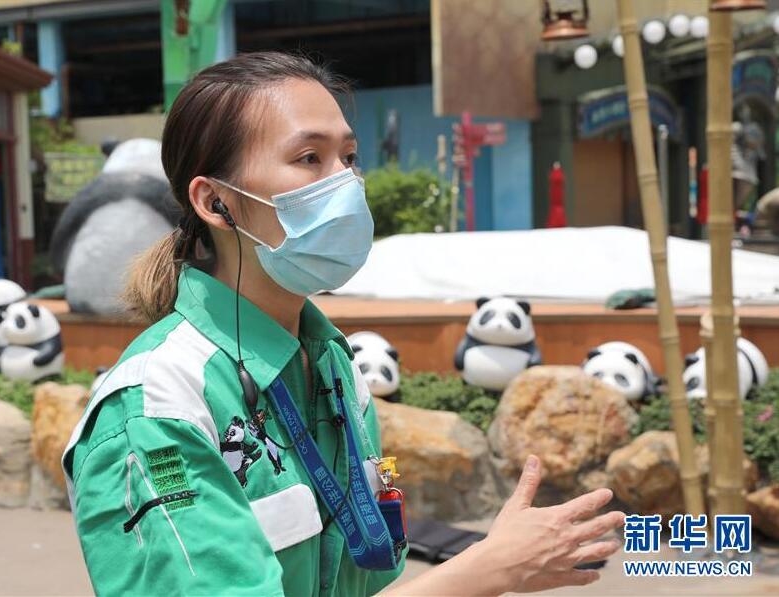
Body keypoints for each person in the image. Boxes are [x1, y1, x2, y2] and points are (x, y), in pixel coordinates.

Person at [61, 51, 624, 596]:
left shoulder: (333, 365)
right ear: (215, 202)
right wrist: (487, 571)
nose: (346, 183)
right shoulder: (157, 407)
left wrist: (495, 569)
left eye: (349, 158)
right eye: (310, 158)